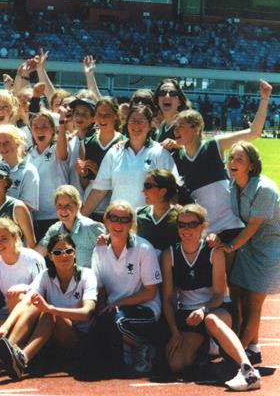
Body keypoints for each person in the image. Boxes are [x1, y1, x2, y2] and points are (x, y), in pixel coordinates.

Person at [161, 204, 261, 391]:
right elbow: (167, 298)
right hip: (188, 315)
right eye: (182, 225)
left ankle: (249, 372)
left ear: (202, 226)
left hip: (216, 309)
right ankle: (205, 353)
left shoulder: (214, 252)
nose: (187, 229)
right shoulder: (169, 255)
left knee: (211, 321)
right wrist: (174, 331)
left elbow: (218, 293)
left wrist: (203, 310)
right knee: (176, 364)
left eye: (192, 224)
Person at [0, 233, 97, 380]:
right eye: (57, 252)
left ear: (75, 253)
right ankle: (3, 354)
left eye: (68, 251)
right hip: (51, 339)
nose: (64, 256)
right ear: (50, 256)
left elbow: (87, 313)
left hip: (77, 340)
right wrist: (5, 327)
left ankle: (22, 358)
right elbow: (27, 302)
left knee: (49, 313)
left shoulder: (87, 275)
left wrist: (51, 309)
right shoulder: (46, 276)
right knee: (34, 302)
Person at [172, 80, 272, 239]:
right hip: (204, 229)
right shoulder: (178, 156)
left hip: (230, 224)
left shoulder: (213, 145)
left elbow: (254, 132)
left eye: (181, 126)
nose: (175, 130)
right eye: (175, 127)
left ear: (196, 129)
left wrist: (264, 98)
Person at [223, 141, 280, 366]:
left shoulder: (264, 188)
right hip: (248, 244)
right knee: (239, 298)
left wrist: (230, 247)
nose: (233, 163)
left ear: (251, 165)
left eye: (239, 159)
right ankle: (252, 348)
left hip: (269, 247)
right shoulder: (233, 184)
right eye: (231, 158)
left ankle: (237, 357)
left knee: (254, 302)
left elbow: (253, 225)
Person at [89, 201, 162, 374]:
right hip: (114, 309)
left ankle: (146, 346)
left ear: (131, 224)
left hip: (144, 308)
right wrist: (99, 314)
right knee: (99, 332)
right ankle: (133, 351)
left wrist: (119, 303)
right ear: (106, 221)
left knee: (117, 323)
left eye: (124, 219)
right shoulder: (99, 249)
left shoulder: (143, 248)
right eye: (114, 218)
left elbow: (150, 292)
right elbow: (99, 289)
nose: (118, 224)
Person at [82, 105, 176, 215]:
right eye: (132, 120)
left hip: (147, 223)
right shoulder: (114, 152)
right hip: (118, 221)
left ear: (150, 126)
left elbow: (172, 193)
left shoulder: (160, 153)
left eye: (141, 121)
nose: (136, 125)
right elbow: (98, 190)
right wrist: (79, 219)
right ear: (127, 124)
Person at [0, 217, 45, 359]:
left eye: (4, 238)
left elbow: (42, 289)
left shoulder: (33, 258)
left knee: (17, 295)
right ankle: (2, 349)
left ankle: (13, 347)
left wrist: (24, 288)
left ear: (15, 237)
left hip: (32, 312)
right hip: (6, 312)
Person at [35, 185, 105, 268]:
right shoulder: (54, 230)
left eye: (68, 205)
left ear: (78, 205)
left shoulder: (91, 228)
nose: (63, 210)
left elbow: (109, 256)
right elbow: (39, 252)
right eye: (59, 205)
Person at [26, 111, 70, 239]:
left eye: (44, 126)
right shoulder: (28, 154)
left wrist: (62, 124)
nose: (40, 130)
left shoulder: (57, 148)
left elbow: (62, 155)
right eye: (35, 127)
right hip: (35, 218)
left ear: (53, 130)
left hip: (57, 216)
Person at [136, 169, 180, 255]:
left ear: (163, 191)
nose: (143, 191)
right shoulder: (138, 214)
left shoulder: (180, 217)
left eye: (147, 186)